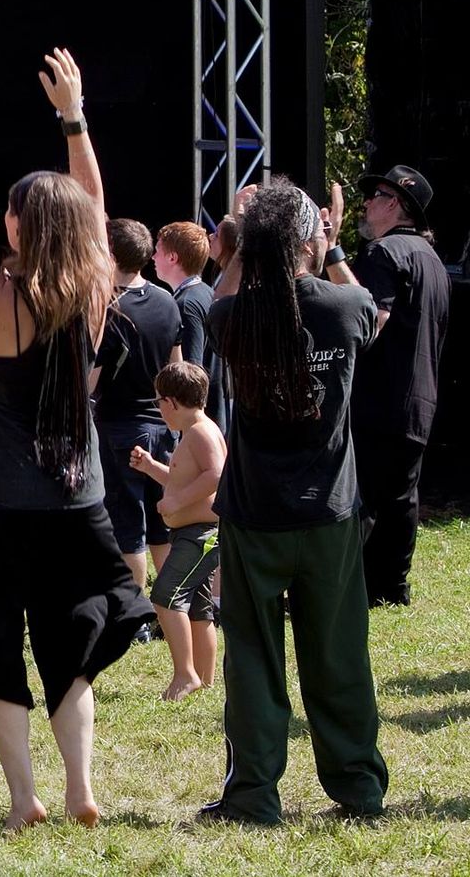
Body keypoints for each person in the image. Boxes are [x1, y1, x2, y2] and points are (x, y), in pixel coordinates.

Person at [0, 51, 152, 832]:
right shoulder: (94, 290)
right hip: (78, 501)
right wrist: (73, 117)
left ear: (15, 225)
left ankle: (23, 799)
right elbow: (95, 205)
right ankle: (80, 787)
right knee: (71, 646)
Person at [198, 177, 387, 826]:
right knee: (339, 655)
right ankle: (358, 789)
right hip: (328, 512)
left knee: (252, 658)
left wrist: (241, 248)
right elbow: (371, 311)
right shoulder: (344, 307)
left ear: (253, 246)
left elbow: (218, 303)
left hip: (256, 514)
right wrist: (332, 246)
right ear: (309, 240)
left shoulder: (234, 316)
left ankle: (254, 795)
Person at [346, 165, 450, 607]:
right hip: (419, 401)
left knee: (361, 497)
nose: (367, 203)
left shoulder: (382, 253)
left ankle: (349, 586)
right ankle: (391, 587)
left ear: (395, 204)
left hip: (377, 398)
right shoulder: (433, 261)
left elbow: (370, 323)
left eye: (376, 196)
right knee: (401, 496)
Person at [92, 218, 182, 595]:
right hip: (163, 424)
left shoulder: (107, 308)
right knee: (162, 524)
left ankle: (136, 613)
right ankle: (174, 603)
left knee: (128, 528)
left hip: (120, 429)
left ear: (110, 253)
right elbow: (177, 368)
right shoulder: (166, 300)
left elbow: (89, 382)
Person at [129, 361, 226, 701]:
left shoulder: (200, 432)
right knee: (197, 606)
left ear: (170, 402)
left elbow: (217, 474)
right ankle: (204, 678)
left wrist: (176, 502)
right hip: (193, 533)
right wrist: (151, 467)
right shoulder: (193, 432)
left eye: (158, 401)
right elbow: (182, 480)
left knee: (165, 596)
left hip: (201, 534)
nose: (158, 408)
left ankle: (186, 675)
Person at [155, 221, 228, 430]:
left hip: (197, 424)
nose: (153, 257)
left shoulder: (185, 305)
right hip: (212, 417)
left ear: (172, 257)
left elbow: (191, 370)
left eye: (157, 251)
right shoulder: (207, 292)